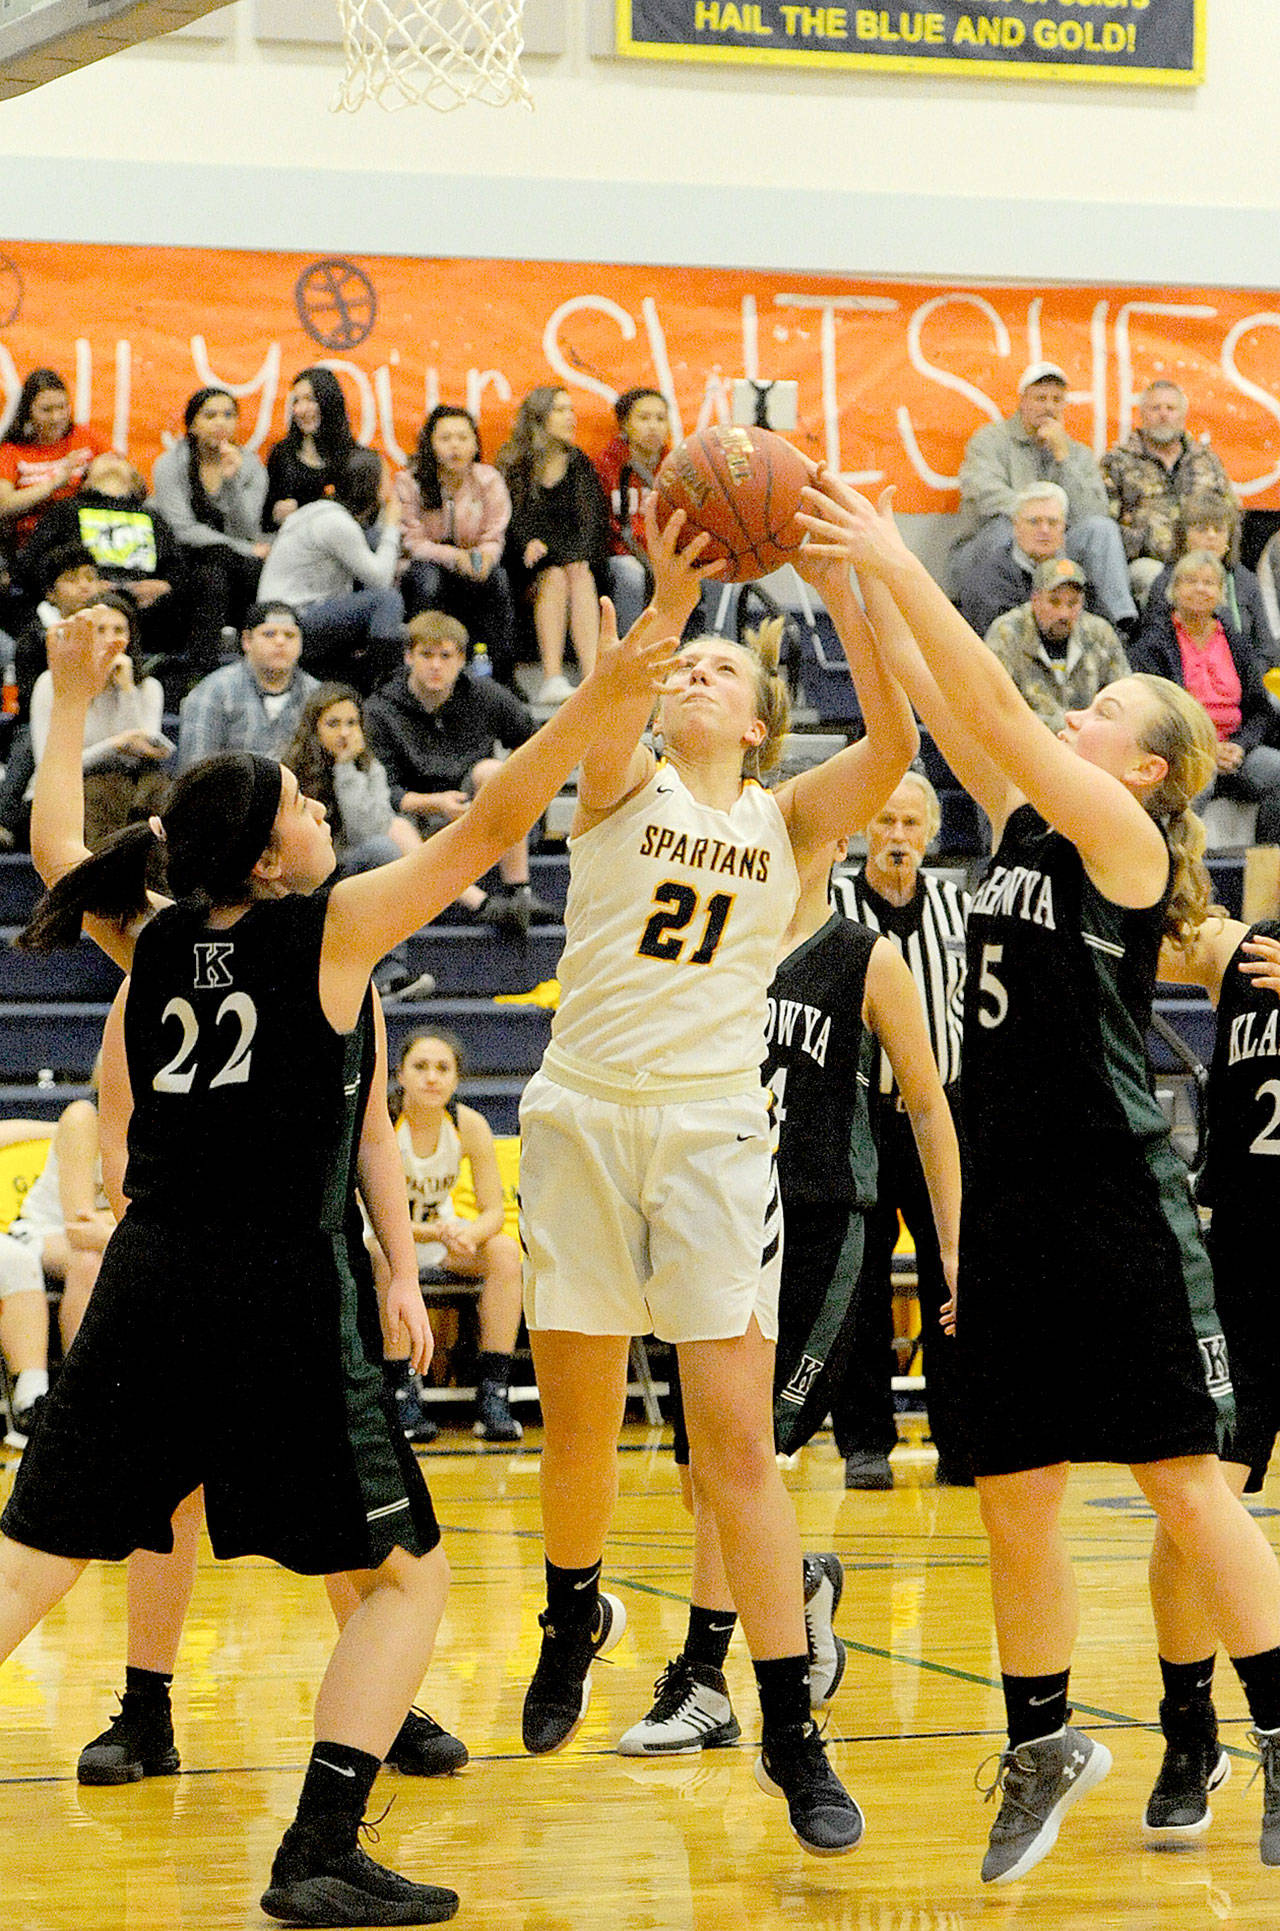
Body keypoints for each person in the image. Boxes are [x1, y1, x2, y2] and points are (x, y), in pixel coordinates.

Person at [0, 591, 680, 1923]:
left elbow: (53, 843)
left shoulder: (156, 937)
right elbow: (492, 826)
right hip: (271, 1288)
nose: (324, 810)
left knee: (31, 1556)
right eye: (304, 806)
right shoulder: (332, 931)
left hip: (145, 1279)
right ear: (264, 857)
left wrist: (69, 692)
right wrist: (606, 700)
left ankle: (298, 1814)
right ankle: (316, 1843)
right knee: (408, 1576)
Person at [798, 472, 1280, 1882]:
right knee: (1013, 1493)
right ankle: (1044, 1738)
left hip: (1112, 1199)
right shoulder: (1025, 825)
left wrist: (899, 546)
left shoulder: (1126, 846)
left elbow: (1000, 712)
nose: (1078, 717)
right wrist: (857, 585)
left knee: (1190, 1485)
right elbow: (959, 718)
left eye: (1105, 715)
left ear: (1146, 768)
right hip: (1006, 1205)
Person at [516, 497, 917, 1856]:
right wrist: (672, 606)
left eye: (728, 670)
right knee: (577, 1429)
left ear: (759, 721)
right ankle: (573, 1615)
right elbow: (609, 699)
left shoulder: (788, 820)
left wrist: (846, 592)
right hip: (579, 1112)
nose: (699, 671)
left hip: (706, 1133)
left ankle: (791, 1723)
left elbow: (899, 744)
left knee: (732, 1447)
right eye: (691, 663)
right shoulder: (621, 777)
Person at [617, 816, 960, 1757]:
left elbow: (927, 1106)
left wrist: (955, 1243)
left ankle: (703, 1681)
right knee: (702, 1479)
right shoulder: (710, 946)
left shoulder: (865, 955)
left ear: (831, 852)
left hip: (820, 1222)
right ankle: (796, 1578)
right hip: (714, 1222)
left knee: (744, 1456)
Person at [74, 978, 468, 1789]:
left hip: (303, 1276)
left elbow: (370, 1139)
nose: (322, 840)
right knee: (170, 1492)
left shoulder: (342, 961)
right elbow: (120, 1130)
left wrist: (400, 1267)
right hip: (185, 1266)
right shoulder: (168, 957)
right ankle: (146, 1707)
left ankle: (380, 1706)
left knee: (333, 1490)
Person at [1141, 910, 1280, 1843]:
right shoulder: (1249, 946)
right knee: (1191, 1514)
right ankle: (1189, 1729)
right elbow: (1144, 919)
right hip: (1247, 1272)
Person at [829, 771, 971, 1488]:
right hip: (857, 1119)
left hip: (941, 1116)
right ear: (863, 830)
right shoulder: (833, 905)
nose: (897, 837)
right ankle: (864, 1441)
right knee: (860, 1281)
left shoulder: (957, 904)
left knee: (958, 1267)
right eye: (885, 822)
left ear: (931, 835)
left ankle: (964, 1440)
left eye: (912, 825)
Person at [364, 612, 555, 935]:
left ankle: (518, 889)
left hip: (472, 811)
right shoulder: (380, 709)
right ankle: (482, 904)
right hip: (413, 816)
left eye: (445, 656)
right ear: (409, 656)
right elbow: (382, 791)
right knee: (391, 826)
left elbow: (536, 743)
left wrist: (528, 801)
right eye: (426, 655)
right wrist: (434, 802)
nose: (435, 666)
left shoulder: (485, 695)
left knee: (494, 770)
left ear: (462, 659)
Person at [385, 1029, 526, 1445]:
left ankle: (493, 1396)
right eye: (421, 1066)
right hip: (387, 1239)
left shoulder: (469, 1125)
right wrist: (439, 1231)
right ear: (400, 1074)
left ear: (457, 1079)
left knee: (502, 1252)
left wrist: (471, 1233)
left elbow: (494, 1210)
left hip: (439, 1239)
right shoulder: (384, 1122)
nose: (432, 1077)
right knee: (383, 1258)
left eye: (442, 1068)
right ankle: (402, 1393)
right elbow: (371, 1215)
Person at [951, 362, 1136, 635]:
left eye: (1056, 400)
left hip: (1053, 549)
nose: (1048, 407)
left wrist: (1064, 459)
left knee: (1102, 529)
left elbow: (1095, 510)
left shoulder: (1077, 453)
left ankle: (1120, 627)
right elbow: (983, 492)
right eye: (1040, 398)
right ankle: (996, 626)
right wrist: (1036, 516)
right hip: (989, 548)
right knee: (1007, 527)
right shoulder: (989, 440)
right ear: (1022, 401)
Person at [284, 682, 426, 999]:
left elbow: (370, 832)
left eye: (352, 723)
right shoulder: (290, 771)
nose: (345, 733)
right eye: (333, 724)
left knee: (385, 851)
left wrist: (346, 770)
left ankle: (389, 973)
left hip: (348, 872)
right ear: (313, 728)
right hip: (304, 880)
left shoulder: (369, 769)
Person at [1131, 549, 1280, 845]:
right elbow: (1156, 714)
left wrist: (1239, 744)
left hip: (1236, 751)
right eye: (1191, 581)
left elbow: (1260, 711)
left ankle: (1266, 867)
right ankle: (1181, 872)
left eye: (1210, 582)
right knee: (1197, 781)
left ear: (1221, 592)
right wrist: (1207, 749)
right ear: (1174, 589)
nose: (1201, 588)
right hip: (1184, 752)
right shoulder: (1153, 643)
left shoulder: (1235, 641)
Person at [0, 1084, 115, 1447]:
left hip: (102, 1232)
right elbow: (80, 1227)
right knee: (89, 1261)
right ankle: (72, 1396)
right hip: (45, 1233)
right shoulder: (84, 1119)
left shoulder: (164, 1127)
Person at [18, 450, 186, 674]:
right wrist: (86, 584)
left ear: (136, 480)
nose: (113, 461)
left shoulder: (153, 517)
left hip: (144, 611)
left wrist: (164, 586)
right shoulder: (66, 510)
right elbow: (34, 563)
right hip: (81, 604)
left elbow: (178, 569)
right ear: (85, 479)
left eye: (121, 460)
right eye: (103, 460)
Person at [29, 591, 170, 848]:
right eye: (100, 630)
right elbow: (48, 766)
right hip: (65, 792)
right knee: (103, 791)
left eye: (119, 630)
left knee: (158, 793)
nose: (110, 640)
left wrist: (127, 690)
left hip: (130, 790)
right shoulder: (51, 684)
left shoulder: (148, 687)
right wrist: (117, 743)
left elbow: (143, 748)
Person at [257, 446, 405, 691]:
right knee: (386, 600)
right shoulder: (335, 522)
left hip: (305, 610)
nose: (391, 487)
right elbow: (380, 580)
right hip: (291, 618)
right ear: (372, 484)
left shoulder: (323, 512)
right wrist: (392, 525)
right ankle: (385, 686)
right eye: (386, 478)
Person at [499, 387, 611, 704]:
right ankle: (552, 676)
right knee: (555, 575)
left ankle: (592, 677)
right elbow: (510, 521)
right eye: (561, 410)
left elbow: (592, 526)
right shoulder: (515, 463)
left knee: (577, 573)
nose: (570, 417)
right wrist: (529, 544)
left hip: (574, 563)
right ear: (539, 416)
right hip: (527, 569)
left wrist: (568, 556)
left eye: (571, 409)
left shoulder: (578, 463)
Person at [150, 387, 270, 677]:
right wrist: (240, 548)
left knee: (252, 570)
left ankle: (256, 667)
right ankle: (200, 675)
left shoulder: (251, 466)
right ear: (192, 425)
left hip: (231, 563)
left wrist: (231, 481)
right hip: (184, 560)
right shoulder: (170, 464)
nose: (220, 423)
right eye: (211, 415)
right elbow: (182, 529)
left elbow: (247, 530)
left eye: (228, 415)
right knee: (213, 575)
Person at [395, 405, 516, 683]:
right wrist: (454, 557)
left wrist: (484, 558)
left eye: (463, 438)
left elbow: (493, 535)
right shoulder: (409, 482)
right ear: (431, 443)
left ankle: (498, 676)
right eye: (446, 438)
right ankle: (424, 665)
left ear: (475, 443)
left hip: (472, 564)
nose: (455, 446)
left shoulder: (488, 479)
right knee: (429, 579)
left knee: (497, 578)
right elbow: (413, 542)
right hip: (424, 567)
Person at [1102, 381, 1237, 604]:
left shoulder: (1207, 460)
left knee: (1241, 582)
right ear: (1142, 414)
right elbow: (1108, 526)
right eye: (1156, 408)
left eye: (1170, 408)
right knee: (1154, 578)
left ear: (1183, 415)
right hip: (1149, 562)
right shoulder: (1117, 462)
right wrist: (1150, 542)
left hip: (1205, 561)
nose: (1163, 415)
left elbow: (1230, 516)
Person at [1139, 488, 1279, 674]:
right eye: (1202, 529)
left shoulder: (1246, 581)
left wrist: (1243, 679)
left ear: (1229, 538)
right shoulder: (1166, 582)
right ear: (1184, 537)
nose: (1211, 536)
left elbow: (1266, 650)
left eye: (1219, 530)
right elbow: (1152, 647)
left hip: (1242, 682)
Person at [984, 557, 1130, 736]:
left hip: (1088, 742)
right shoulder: (1006, 633)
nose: (1064, 614)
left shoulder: (1100, 633)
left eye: (1073, 603)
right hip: (1027, 742)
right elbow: (994, 705)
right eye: (1054, 602)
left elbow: (1124, 700)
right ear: (1035, 599)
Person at [177, 600, 317, 770]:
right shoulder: (215, 690)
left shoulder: (315, 693)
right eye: (270, 634)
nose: (280, 642)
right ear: (247, 641)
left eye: (290, 635)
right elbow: (195, 769)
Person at [0, 369, 109, 559]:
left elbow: (127, 478)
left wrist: (97, 476)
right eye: (46, 410)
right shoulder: (12, 451)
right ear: (28, 411)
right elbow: (4, 504)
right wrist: (55, 483)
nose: (56, 418)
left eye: (62, 407)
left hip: (89, 539)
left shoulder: (85, 436)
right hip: (36, 545)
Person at [594, 387, 671, 636]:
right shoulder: (604, 466)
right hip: (621, 554)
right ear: (625, 424)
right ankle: (628, 653)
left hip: (665, 553)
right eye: (644, 418)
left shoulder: (678, 466)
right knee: (630, 572)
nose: (653, 427)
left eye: (660, 419)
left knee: (710, 572)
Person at [263, 367, 359, 530]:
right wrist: (276, 514)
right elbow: (264, 520)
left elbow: (362, 519)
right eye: (296, 401)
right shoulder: (282, 453)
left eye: (310, 399)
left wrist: (303, 512)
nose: (300, 410)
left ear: (329, 402)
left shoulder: (354, 458)